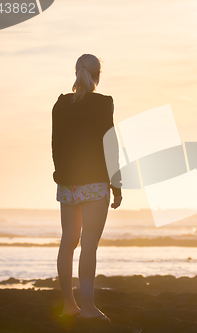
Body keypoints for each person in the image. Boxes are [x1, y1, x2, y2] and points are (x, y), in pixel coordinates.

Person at [51, 54, 122, 324]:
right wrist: (117, 185)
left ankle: (69, 305)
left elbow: (56, 144)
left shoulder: (60, 104)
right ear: (98, 75)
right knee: (89, 244)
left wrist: (61, 175)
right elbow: (110, 144)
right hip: (95, 181)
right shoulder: (104, 103)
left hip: (67, 182)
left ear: (77, 72)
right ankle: (89, 307)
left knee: (68, 241)